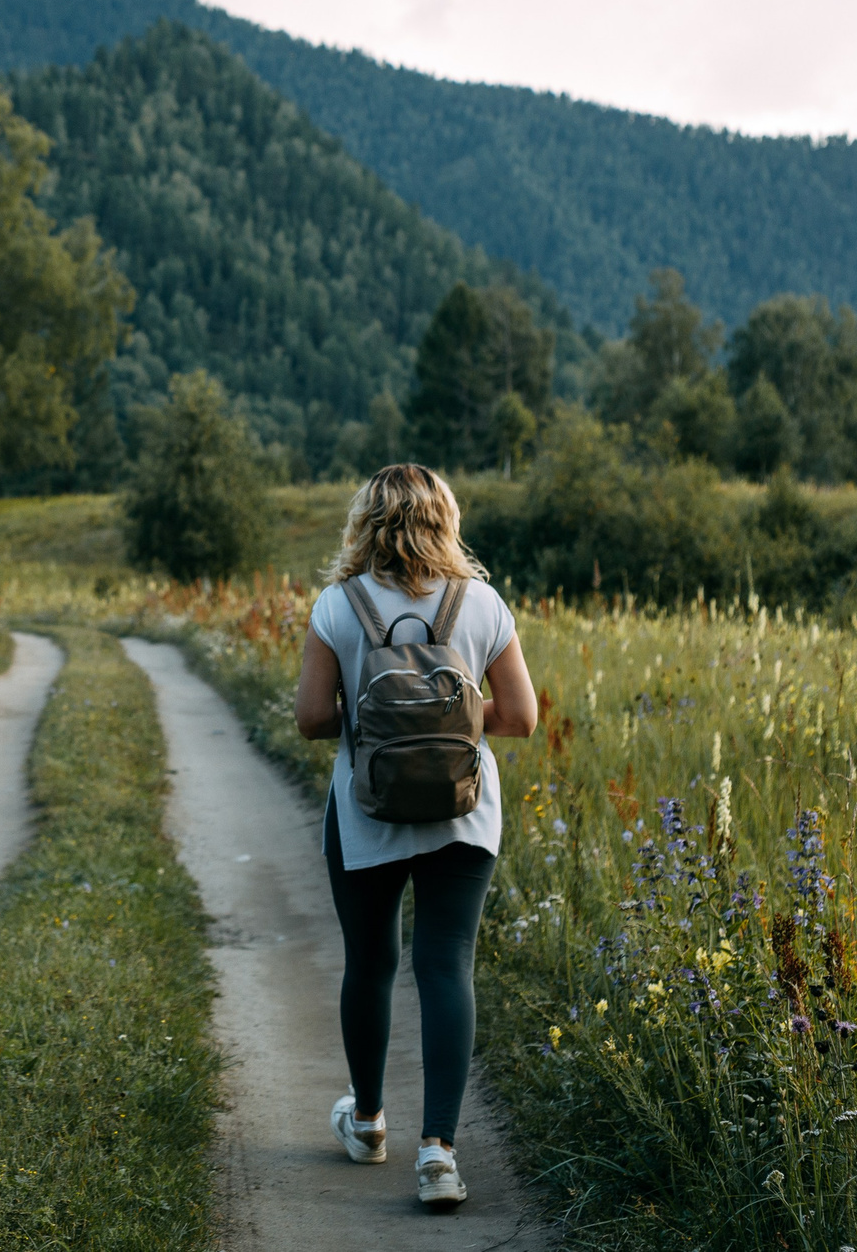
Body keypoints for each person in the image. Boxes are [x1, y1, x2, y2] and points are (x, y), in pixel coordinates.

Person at [292, 463, 538, 1211]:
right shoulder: (482, 603)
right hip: (464, 812)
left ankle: (368, 1122)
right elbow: (521, 717)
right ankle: (439, 1154)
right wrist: (449, 715)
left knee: (370, 963)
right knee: (445, 965)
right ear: (445, 520)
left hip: (366, 810)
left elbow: (311, 718)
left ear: (364, 523)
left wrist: (382, 717)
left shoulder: (338, 606)